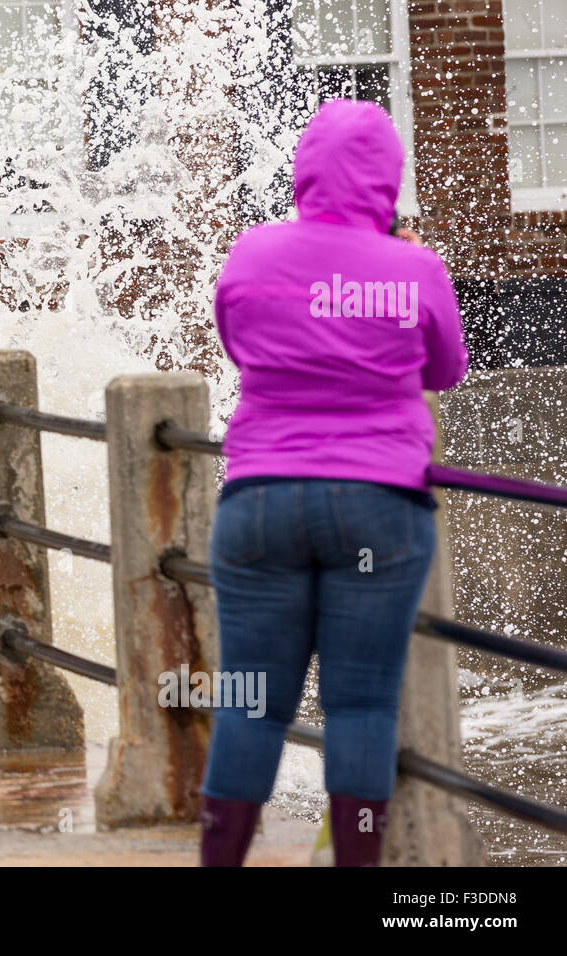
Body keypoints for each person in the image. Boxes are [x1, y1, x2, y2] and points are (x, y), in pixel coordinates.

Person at [202, 100, 469, 866]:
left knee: (249, 706)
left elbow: (237, 342)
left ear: (304, 171)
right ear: (389, 178)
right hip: (378, 505)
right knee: (359, 704)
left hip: (259, 500)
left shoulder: (251, 253)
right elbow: (445, 370)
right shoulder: (415, 267)